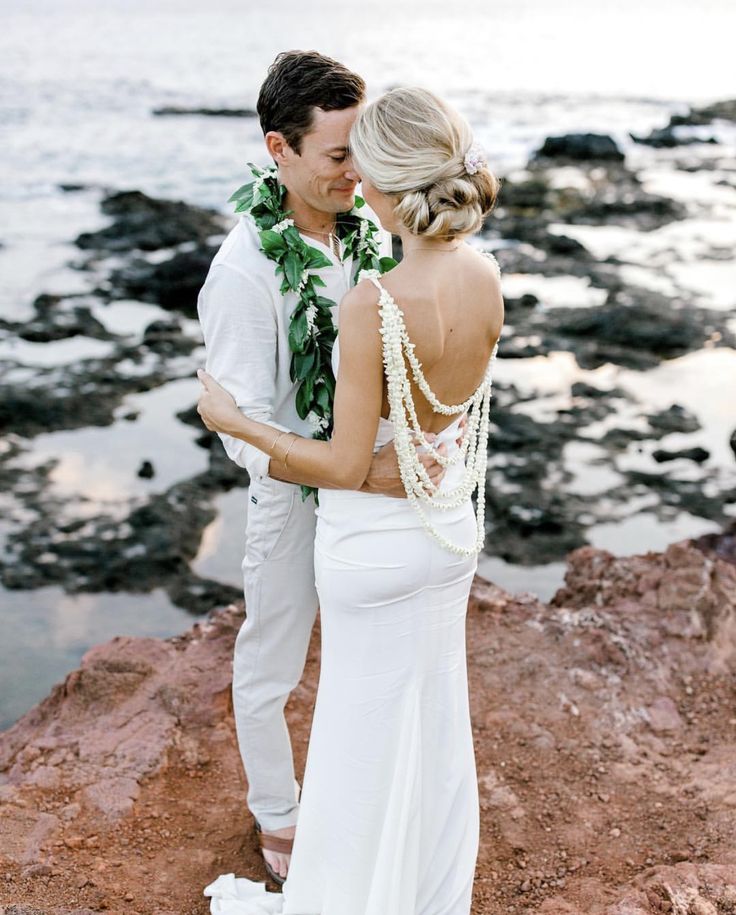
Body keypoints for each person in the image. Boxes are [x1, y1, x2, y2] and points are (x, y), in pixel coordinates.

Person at [198, 85, 503, 915]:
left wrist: (377, 466)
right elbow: (246, 429)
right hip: (311, 496)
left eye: (361, 156)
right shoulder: (243, 270)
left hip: (379, 507)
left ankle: (360, 864)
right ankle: (281, 817)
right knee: (274, 659)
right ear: (280, 151)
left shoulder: (376, 241)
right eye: (338, 156)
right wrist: (357, 468)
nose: (352, 173)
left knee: (379, 700)